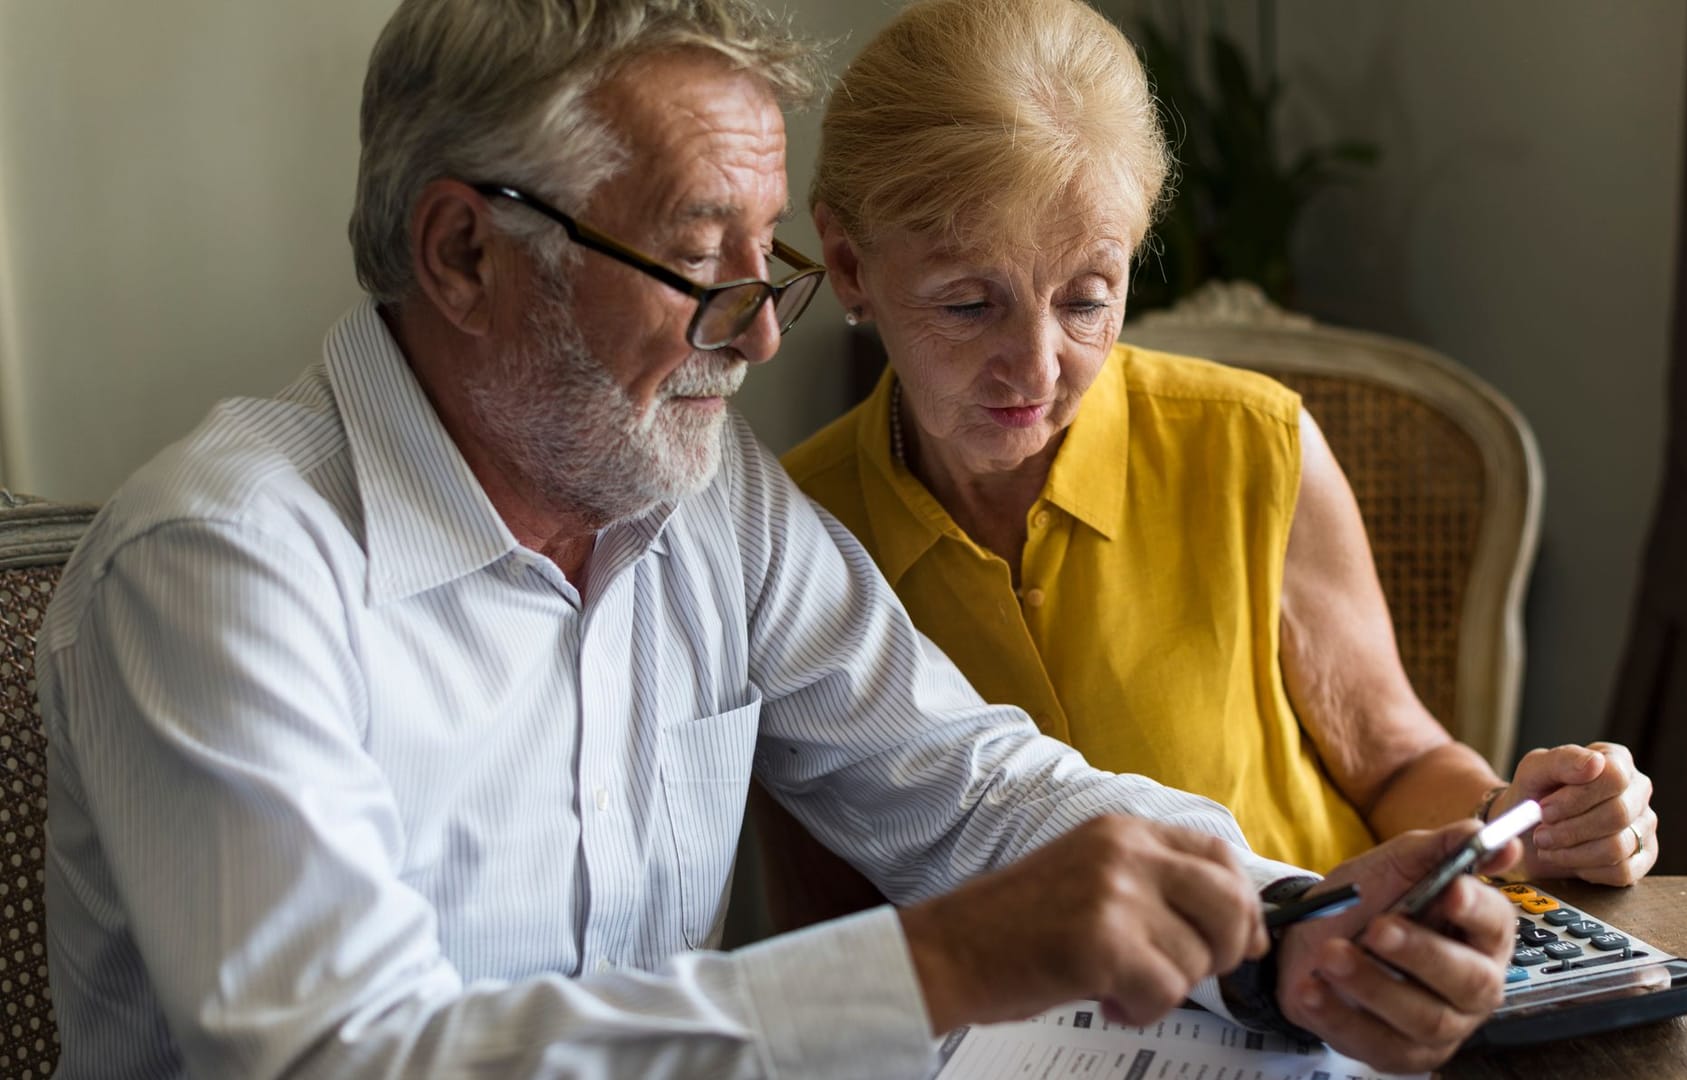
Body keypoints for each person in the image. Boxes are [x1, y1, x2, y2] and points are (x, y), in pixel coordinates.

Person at [39, 1, 1520, 1076]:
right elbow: (338, 1063)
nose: (753, 339)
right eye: (695, 267)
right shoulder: (222, 566)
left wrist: (1292, 918)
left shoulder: (702, 493)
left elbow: (971, 785)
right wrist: (945, 958)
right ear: (464, 251)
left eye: (772, 269)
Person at [761, 0, 1659, 928]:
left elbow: (1397, 762)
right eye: (966, 305)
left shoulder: (1252, 446)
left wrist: (1521, 826)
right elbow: (830, 923)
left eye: (1085, 300)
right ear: (849, 263)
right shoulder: (787, 538)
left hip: (1321, 1009)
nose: (1037, 368)